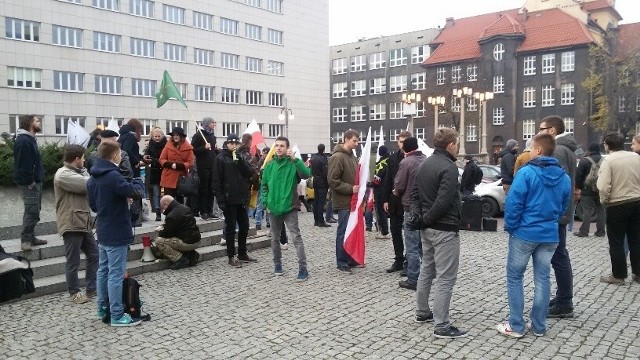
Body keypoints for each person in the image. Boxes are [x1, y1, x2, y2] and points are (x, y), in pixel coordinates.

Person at [496, 133, 572, 338]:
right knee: (543, 277)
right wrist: (553, 219)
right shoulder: (564, 177)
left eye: (530, 149)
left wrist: (511, 227)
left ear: (538, 150)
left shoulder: (526, 173)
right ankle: (539, 325)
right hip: (549, 234)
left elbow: (514, 202)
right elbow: (565, 205)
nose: (528, 153)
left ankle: (517, 325)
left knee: (515, 277)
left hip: (525, 232)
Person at [409, 128, 466, 339]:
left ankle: (422, 312)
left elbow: (414, 195)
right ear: (450, 145)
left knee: (427, 270)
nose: (458, 147)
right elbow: (444, 201)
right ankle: (441, 325)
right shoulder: (449, 168)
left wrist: (419, 218)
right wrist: (425, 219)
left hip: (427, 229)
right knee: (445, 277)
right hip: (444, 228)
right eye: (457, 143)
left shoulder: (424, 164)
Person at [87, 141, 145, 327]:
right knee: (116, 274)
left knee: (103, 271)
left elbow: (94, 205)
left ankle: (102, 308)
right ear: (114, 156)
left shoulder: (93, 177)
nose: (121, 157)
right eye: (120, 154)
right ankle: (117, 315)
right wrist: (136, 179)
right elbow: (135, 192)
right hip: (117, 230)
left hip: (103, 229)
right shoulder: (112, 175)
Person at [538, 115, 577, 318]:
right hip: (562, 211)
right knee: (559, 255)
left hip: (557, 213)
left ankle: (565, 302)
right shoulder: (567, 149)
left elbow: (553, 182)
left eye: (542, 128)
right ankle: (563, 296)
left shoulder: (559, 150)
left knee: (559, 256)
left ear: (552, 130)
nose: (539, 132)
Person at [54, 144, 99, 304]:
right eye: (83, 158)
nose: (85, 160)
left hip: (83, 221)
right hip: (71, 222)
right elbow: (87, 185)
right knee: (73, 260)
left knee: (94, 255)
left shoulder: (78, 172)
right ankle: (74, 292)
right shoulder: (63, 174)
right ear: (77, 159)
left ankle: (92, 288)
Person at [261, 136, 310, 281]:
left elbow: (306, 174)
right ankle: (277, 265)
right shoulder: (269, 166)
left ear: (287, 148)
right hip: (273, 207)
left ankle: (303, 268)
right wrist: (265, 202)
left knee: (296, 238)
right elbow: (264, 186)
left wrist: (295, 159)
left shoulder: (293, 164)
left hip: (289, 207)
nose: (279, 148)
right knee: (275, 239)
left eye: (282, 145)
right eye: (277, 145)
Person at [596, 133, 640, 284]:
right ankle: (638, 273)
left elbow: (603, 186)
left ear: (607, 145)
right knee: (636, 239)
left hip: (617, 203)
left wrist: (604, 201)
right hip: (637, 201)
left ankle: (619, 275)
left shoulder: (608, 160)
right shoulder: (636, 157)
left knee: (616, 241)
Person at [214, 134, 257, 267]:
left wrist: (241, 161)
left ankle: (242, 253)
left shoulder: (239, 157)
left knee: (244, 225)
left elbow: (250, 173)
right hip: (228, 198)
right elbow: (216, 181)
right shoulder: (220, 158)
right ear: (226, 144)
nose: (233, 146)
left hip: (240, 197)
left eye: (235, 143)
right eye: (231, 143)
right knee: (231, 228)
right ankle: (231, 255)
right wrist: (220, 200)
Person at [394, 137, 427, 291]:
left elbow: (399, 184)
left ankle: (413, 278)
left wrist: (396, 191)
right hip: (426, 207)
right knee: (423, 245)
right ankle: (425, 276)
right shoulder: (426, 160)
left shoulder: (406, 162)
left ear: (405, 149)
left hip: (410, 206)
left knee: (412, 245)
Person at [327, 129, 360, 273]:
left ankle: (349, 257)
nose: (357, 143)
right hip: (343, 200)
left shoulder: (351, 156)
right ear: (346, 139)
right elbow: (333, 180)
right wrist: (350, 189)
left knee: (349, 231)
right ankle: (341, 261)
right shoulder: (338, 157)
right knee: (342, 231)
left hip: (352, 200)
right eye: (354, 140)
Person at [13, 115, 47, 252]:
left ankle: (31, 237)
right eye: (37, 121)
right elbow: (22, 165)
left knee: (34, 210)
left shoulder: (30, 139)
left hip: (35, 181)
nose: (39, 123)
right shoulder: (23, 141)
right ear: (30, 123)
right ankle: (26, 240)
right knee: (32, 212)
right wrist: (30, 182)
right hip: (29, 183)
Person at [381, 131, 411, 273]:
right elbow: (388, 179)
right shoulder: (392, 158)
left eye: (405, 141)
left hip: (409, 201)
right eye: (400, 141)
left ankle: (409, 261)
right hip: (394, 201)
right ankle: (398, 259)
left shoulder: (415, 158)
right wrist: (385, 199)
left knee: (410, 234)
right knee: (395, 231)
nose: (402, 144)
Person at [155, 195, 201, 270]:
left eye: (162, 207)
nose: (163, 209)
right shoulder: (185, 208)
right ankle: (191, 254)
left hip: (187, 243)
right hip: (196, 240)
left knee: (159, 241)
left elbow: (167, 234)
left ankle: (180, 259)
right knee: (178, 238)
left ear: (166, 204)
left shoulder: (171, 215)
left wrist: (160, 231)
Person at [574, 143, 605, 237]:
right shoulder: (605, 160)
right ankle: (601, 231)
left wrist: (580, 187)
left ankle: (584, 231)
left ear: (590, 150)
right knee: (601, 210)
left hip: (587, 189)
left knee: (587, 210)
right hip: (600, 189)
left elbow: (578, 176)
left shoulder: (584, 161)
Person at [191, 117, 217, 220]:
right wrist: (204, 148)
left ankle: (210, 210)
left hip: (212, 165)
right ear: (207, 124)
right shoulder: (198, 135)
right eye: (212, 122)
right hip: (203, 166)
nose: (214, 124)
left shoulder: (212, 136)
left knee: (211, 189)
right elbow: (193, 150)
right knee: (204, 189)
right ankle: (203, 211)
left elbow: (213, 150)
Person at [159, 127, 194, 204]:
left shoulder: (188, 148)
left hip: (180, 178)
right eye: (174, 135)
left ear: (182, 136)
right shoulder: (168, 146)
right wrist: (170, 164)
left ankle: (179, 215)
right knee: (168, 200)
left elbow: (191, 162)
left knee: (179, 200)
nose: (175, 137)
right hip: (168, 176)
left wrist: (180, 165)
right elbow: (162, 159)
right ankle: (169, 215)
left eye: (177, 135)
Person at [143, 127, 168, 221]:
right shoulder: (150, 145)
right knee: (156, 193)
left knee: (166, 192)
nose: (157, 138)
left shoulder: (166, 144)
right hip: (154, 170)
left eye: (158, 136)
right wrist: (146, 159)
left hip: (165, 170)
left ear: (162, 136)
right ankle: (158, 212)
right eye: (155, 136)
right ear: (152, 137)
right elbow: (146, 157)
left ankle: (167, 210)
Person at [310, 143, 331, 227]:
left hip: (315, 181)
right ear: (324, 149)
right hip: (322, 182)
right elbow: (325, 172)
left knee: (316, 201)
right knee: (321, 203)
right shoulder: (323, 159)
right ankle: (320, 221)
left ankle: (316, 220)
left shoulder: (313, 158)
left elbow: (311, 170)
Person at [372, 145, 390, 239]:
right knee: (386, 212)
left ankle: (384, 232)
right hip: (389, 190)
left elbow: (376, 180)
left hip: (380, 192)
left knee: (380, 212)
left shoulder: (381, 164)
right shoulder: (390, 161)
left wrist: (370, 184)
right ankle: (386, 231)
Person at [255, 147, 271, 230]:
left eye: (264, 153)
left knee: (269, 204)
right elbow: (257, 172)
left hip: (270, 185)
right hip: (263, 184)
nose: (263, 155)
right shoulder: (261, 162)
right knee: (260, 204)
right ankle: (258, 222)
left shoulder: (271, 161)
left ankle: (268, 222)